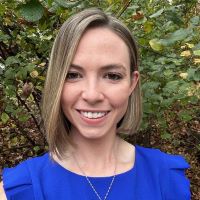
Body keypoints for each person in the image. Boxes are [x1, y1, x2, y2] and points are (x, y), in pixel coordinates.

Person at [0, 8, 190, 200]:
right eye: (73, 75)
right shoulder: (19, 190)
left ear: (132, 83)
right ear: (57, 81)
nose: (92, 95)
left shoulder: (167, 179)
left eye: (112, 76)